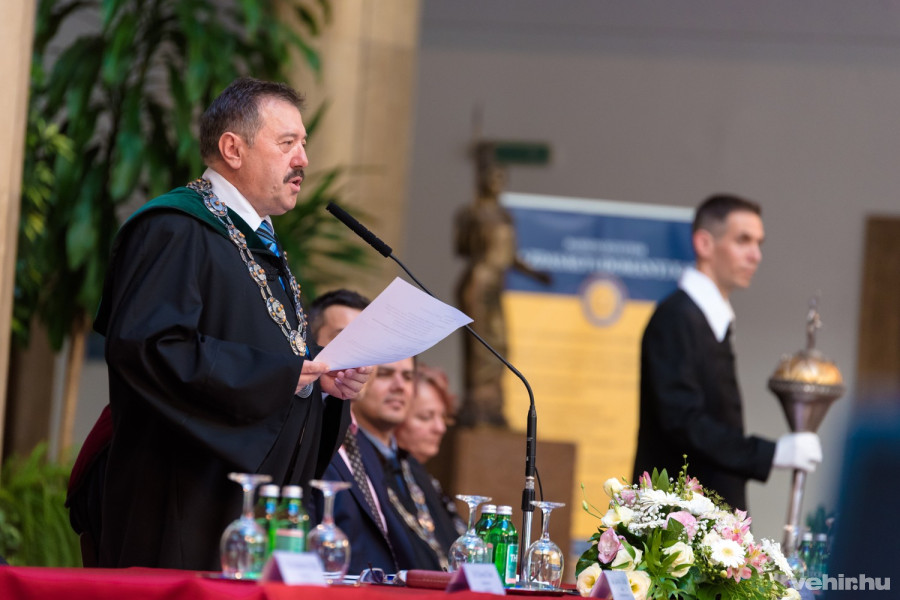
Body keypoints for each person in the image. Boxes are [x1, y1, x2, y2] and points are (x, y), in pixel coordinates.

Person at [93, 77, 371, 570]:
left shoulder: (258, 240)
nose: (304, 159)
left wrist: (321, 384)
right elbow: (150, 349)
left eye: (304, 144)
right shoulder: (174, 227)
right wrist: (281, 376)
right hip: (184, 501)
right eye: (287, 143)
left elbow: (273, 352)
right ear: (232, 149)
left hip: (257, 507)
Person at [632, 194, 822, 511]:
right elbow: (682, 422)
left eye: (759, 243)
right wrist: (771, 453)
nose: (756, 255)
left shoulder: (707, 318)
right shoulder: (676, 317)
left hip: (705, 517)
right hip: (674, 522)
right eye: (743, 240)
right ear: (704, 244)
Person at [454, 142, 550, 427]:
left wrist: (536, 274)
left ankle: (493, 405)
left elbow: (509, 256)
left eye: (501, 178)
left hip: (497, 285)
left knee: (500, 346)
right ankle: (478, 407)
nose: (497, 182)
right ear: (482, 179)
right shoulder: (472, 213)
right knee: (480, 349)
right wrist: (470, 223)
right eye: (492, 176)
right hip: (478, 283)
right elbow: (461, 249)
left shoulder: (505, 215)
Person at [350, 357, 460, 571]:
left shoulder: (411, 466)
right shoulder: (345, 455)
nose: (399, 386)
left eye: (408, 377)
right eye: (384, 374)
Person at [396, 364, 466, 536]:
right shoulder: (387, 479)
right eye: (426, 417)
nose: (440, 428)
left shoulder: (425, 479)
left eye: (443, 417)